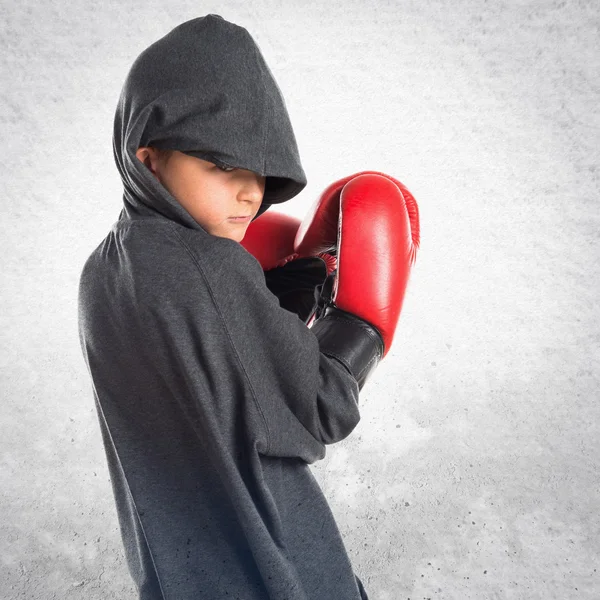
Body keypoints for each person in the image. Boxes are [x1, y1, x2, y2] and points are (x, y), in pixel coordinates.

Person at [78, 13, 418, 600]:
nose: (249, 192)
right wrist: (359, 326)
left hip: (176, 575)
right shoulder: (209, 266)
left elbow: (215, 390)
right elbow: (319, 409)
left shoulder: (102, 271)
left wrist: (270, 305)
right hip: (277, 573)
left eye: (258, 170)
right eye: (218, 165)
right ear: (149, 156)